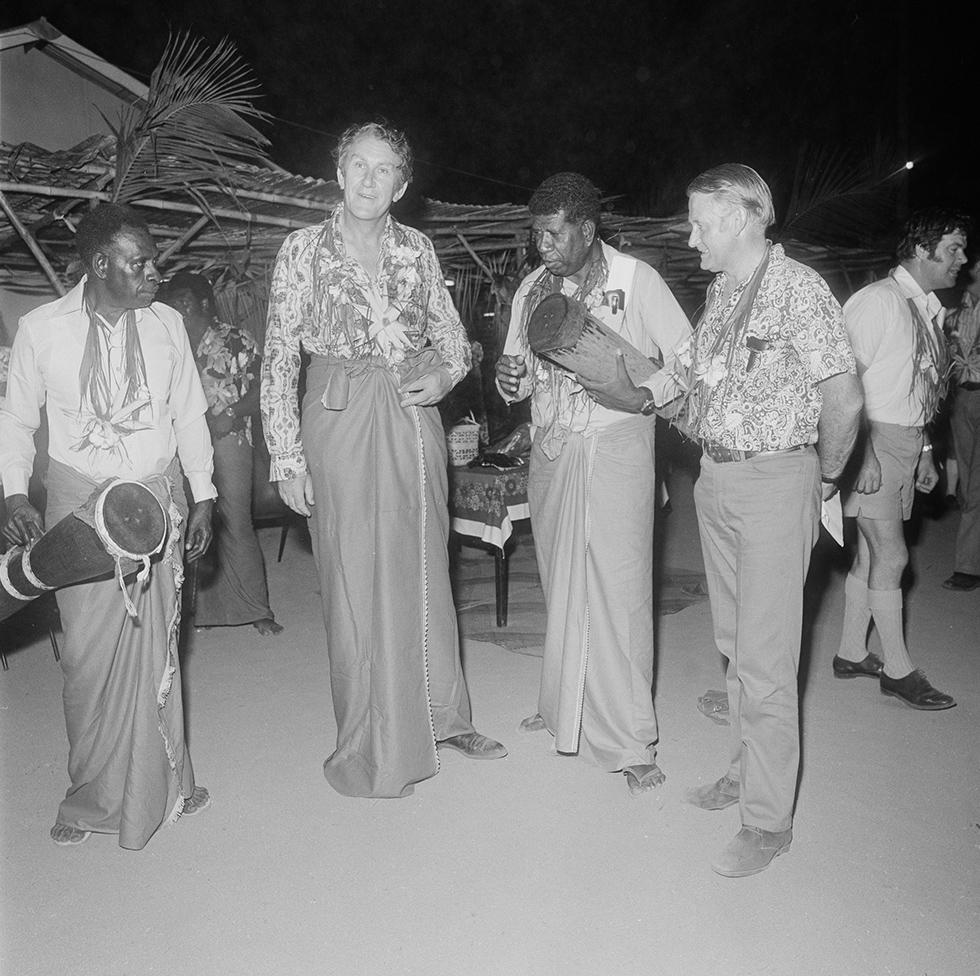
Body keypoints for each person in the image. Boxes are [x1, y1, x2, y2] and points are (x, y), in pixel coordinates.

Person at [261, 121, 506, 799]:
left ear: (402, 185)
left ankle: (444, 718)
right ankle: (373, 739)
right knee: (356, 575)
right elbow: (279, 354)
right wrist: (286, 455)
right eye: (357, 167)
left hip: (408, 414)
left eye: (384, 170)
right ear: (338, 174)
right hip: (337, 417)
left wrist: (447, 377)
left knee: (427, 563)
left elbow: (457, 339)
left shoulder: (418, 249)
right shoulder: (302, 250)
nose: (369, 180)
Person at [0, 203, 215, 849]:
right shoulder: (40, 329)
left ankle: (169, 782)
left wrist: (202, 494)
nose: (155, 272)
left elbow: (190, 414)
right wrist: (14, 494)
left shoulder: (168, 324)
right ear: (99, 265)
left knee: (157, 651)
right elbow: (17, 422)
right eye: (139, 262)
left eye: (152, 260)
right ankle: (90, 797)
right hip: (76, 507)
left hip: (154, 501)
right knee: (87, 660)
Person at [683, 164, 862, 876]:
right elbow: (694, 379)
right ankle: (743, 771)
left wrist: (818, 479)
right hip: (717, 478)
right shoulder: (722, 291)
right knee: (735, 646)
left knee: (765, 658)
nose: (690, 234)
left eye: (699, 222)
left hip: (775, 479)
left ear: (742, 218)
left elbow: (844, 401)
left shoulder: (798, 289)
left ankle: (767, 822)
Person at [495, 172, 691, 796]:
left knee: (621, 586)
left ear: (586, 228)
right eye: (536, 233)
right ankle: (562, 708)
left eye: (553, 233)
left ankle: (630, 739)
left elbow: (687, 359)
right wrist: (510, 381)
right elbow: (521, 377)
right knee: (560, 578)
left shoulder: (637, 279)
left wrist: (643, 395)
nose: (542, 246)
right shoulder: (532, 289)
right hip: (553, 450)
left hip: (617, 446)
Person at [835, 209, 970, 707]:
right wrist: (864, 452)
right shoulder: (879, 303)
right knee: (892, 555)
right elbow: (842, 384)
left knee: (872, 553)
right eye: (953, 249)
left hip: (904, 439)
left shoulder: (926, 307)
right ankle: (898, 669)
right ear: (921, 249)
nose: (963, 259)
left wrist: (927, 450)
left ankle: (851, 652)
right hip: (875, 439)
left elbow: (916, 386)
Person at [158, 272, 282, 636]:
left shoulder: (235, 338)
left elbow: (267, 387)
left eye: (185, 300)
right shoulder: (169, 343)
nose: (179, 307)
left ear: (205, 303)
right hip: (181, 449)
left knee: (234, 522)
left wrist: (233, 413)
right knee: (191, 525)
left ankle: (257, 609)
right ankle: (201, 612)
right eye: (174, 301)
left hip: (228, 443)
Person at [943, 253, 980, 590]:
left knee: (977, 486)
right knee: (969, 486)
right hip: (963, 398)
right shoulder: (957, 309)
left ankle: (968, 566)